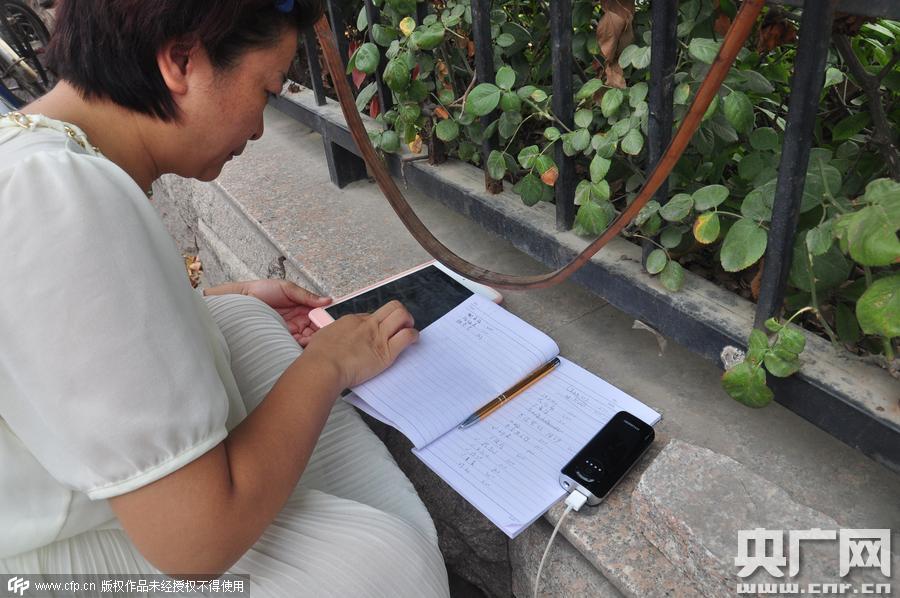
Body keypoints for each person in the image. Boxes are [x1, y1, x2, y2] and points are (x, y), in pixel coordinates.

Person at [0, 0, 451, 595]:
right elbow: (194, 547)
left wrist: (210, 298)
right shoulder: (59, 198)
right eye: (267, 90)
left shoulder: (32, 149)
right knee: (385, 570)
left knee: (241, 315)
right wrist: (330, 363)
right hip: (57, 567)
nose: (260, 128)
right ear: (181, 61)